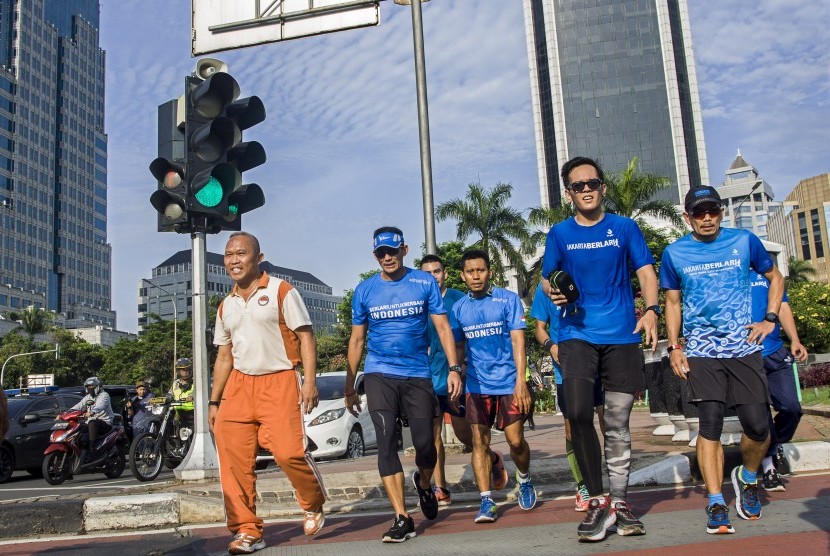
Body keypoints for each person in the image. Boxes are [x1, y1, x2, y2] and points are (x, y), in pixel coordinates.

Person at [541, 156, 659, 542]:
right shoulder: (559, 233)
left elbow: (644, 271)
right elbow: (546, 280)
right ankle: (596, 499)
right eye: (578, 185)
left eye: (592, 182)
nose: (587, 189)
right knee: (576, 412)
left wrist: (653, 310)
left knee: (617, 421)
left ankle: (620, 504)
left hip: (622, 336)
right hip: (576, 334)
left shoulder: (624, 227)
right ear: (569, 194)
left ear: (603, 187)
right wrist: (554, 289)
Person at [661, 185, 785, 535]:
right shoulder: (674, 253)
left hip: (744, 347)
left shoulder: (744, 241)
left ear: (721, 211)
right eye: (698, 213)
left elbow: (776, 277)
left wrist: (769, 319)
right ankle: (716, 502)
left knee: (758, 426)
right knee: (709, 424)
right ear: (687, 217)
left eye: (712, 210)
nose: (706, 218)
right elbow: (672, 302)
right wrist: (674, 347)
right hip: (701, 351)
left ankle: (747, 477)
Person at [208, 232, 326, 555]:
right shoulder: (226, 305)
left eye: (241, 253)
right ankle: (248, 530)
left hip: (280, 380)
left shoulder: (281, 291)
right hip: (240, 385)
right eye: (229, 254)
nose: (234, 260)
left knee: (289, 452)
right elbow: (224, 357)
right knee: (232, 458)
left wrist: (310, 382)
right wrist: (214, 401)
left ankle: (313, 500)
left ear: (258, 258)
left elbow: (306, 337)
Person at [345, 227, 462, 543]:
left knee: (426, 445)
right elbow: (357, 339)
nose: (387, 257)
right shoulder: (364, 290)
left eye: (392, 251)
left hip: (417, 374)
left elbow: (441, 326)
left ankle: (424, 484)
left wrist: (454, 369)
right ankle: (401, 516)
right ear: (375, 256)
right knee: (386, 442)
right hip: (379, 373)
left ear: (404, 250)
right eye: (381, 253)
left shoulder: (423, 282)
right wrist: (349, 384)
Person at [451, 249, 538, 523]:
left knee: (515, 441)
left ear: (489, 272)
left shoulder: (508, 300)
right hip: (476, 385)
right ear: (463, 276)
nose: (476, 276)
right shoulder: (458, 309)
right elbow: (457, 348)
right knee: (479, 442)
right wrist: (455, 374)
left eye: (480, 270)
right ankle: (486, 500)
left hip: (509, 383)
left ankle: (524, 479)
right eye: (470, 271)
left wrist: (521, 383)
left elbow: (518, 343)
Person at [529, 281, 605, 512]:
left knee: (608, 423)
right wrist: (551, 346)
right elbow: (539, 327)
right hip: (566, 371)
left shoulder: (589, 278)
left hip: (599, 363)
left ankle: (613, 481)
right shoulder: (545, 289)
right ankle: (584, 484)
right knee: (573, 427)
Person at [419, 254, 473, 507]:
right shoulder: (416, 303)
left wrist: (461, 368)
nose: (433, 276)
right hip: (427, 380)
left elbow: (471, 339)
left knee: (465, 435)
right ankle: (441, 487)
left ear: (445, 274)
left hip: (456, 379)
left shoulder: (459, 300)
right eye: (427, 273)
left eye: (437, 271)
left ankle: (491, 458)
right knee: (433, 436)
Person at [750, 266, 808, 491]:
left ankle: (775, 443)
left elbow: (782, 305)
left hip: (775, 352)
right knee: (761, 412)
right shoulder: (728, 272)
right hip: (747, 356)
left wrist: (794, 339)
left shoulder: (768, 275)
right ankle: (769, 467)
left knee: (792, 408)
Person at [72, 377, 115, 462]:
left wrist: (92, 412)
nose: (89, 388)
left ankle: (93, 450)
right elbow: (79, 406)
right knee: (79, 431)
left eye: (92, 386)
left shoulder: (104, 395)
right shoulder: (88, 397)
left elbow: (100, 406)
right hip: (92, 424)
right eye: (88, 386)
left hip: (105, 423)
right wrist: (66, 413)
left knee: (92, 421)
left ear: (98, 386)